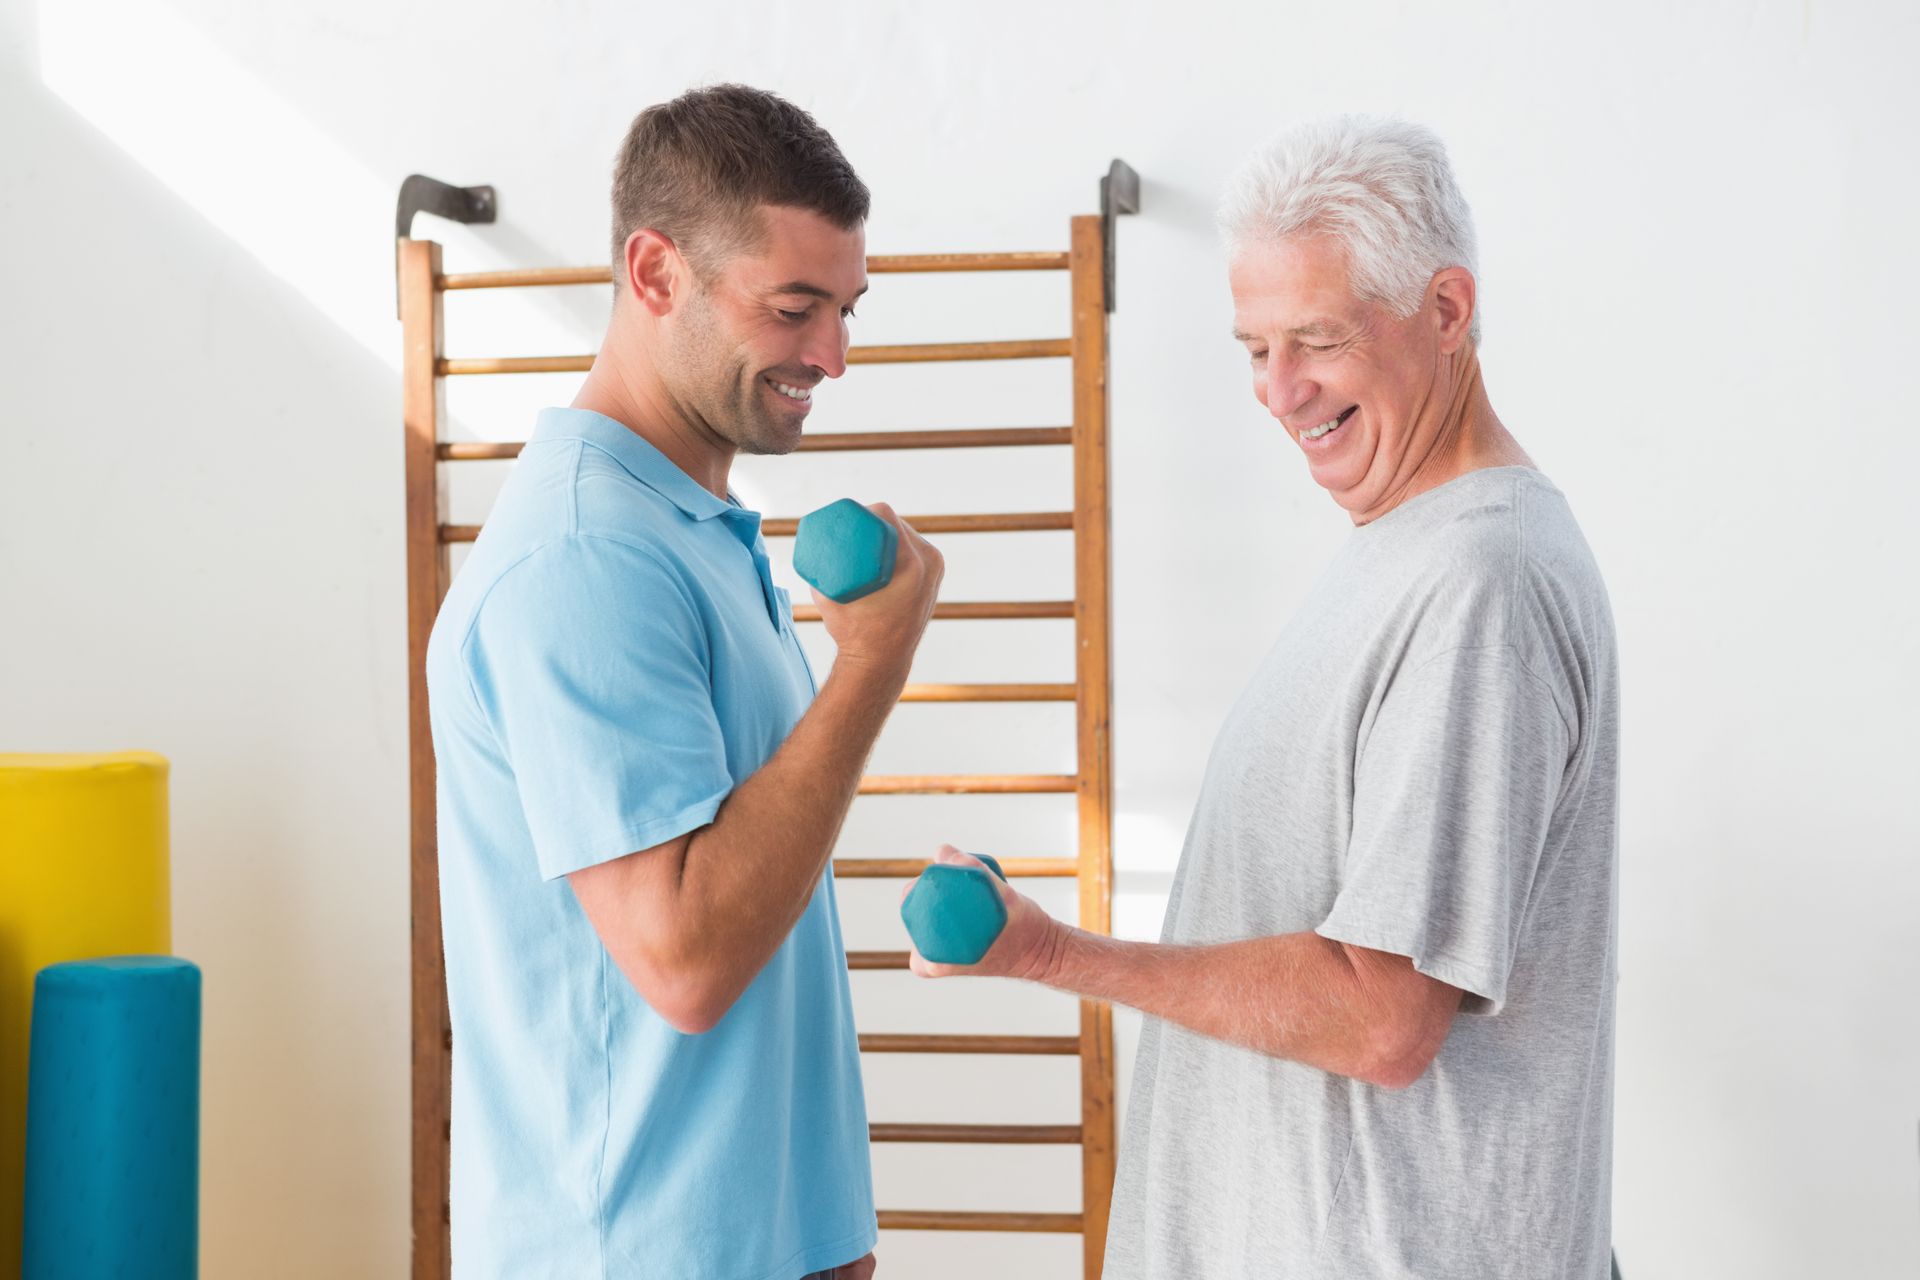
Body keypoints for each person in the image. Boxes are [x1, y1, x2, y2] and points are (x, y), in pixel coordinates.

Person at [910, 116, 1620, 1278]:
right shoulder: (1405, 547)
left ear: (1447, 311)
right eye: (1253, 347)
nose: (1278, 391)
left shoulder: (1480, 580)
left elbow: (1382, 1015)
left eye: (1317, 341)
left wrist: (1054, 954)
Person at [427, 84, 942, 1278]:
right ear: (654, 272)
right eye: (795, 307)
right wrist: (872, 664)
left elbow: (746, 930)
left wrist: (822, 1242)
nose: (834, 354)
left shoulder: (686, 531)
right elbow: (689, 957)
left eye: (846, 309)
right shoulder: (587, 559)